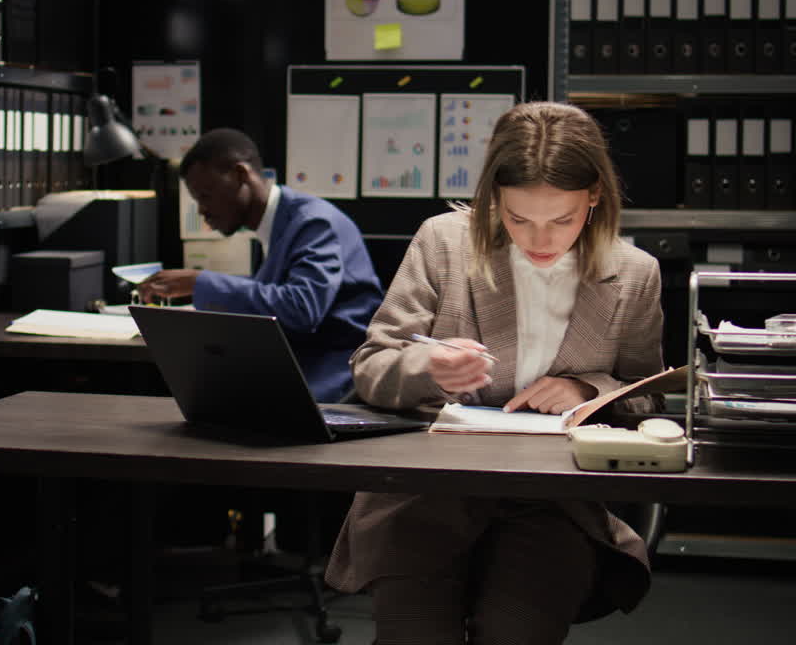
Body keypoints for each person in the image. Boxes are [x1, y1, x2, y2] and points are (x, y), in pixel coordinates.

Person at [324, 102, 665, 645]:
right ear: (493, 200)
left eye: (564, 220)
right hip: (428, 493)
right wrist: (428, 367)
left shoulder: (635, 274)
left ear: (595, 197)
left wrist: (586, 389)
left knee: (516, 632)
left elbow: (649, 397)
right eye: (518, 218)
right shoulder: (444, 242)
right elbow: (371, 367)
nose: (542, 240)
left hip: (552, 500)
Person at [137, 127, 383, 404]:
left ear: (241, 175)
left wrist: (200, 283)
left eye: (205, 195)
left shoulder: (314, 222)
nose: (202, 211)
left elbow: (301, 307)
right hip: (297, 373)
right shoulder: (278, 226)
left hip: (333, 386)